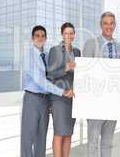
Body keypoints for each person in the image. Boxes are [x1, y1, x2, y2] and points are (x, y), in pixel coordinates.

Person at [21, 25, 73, 157]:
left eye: (43, 36)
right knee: (28, 138)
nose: (40, 38)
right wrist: (62, 92)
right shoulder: (29, 55)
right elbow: (40, 81)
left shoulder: (48, 55)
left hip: (45, 100)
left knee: (41, 138)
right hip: (32, 99)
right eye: (37, 35)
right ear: (32, 38)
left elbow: (52, 76)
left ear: (46, 38)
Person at [83, 11, 120, 157]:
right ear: (101, 25)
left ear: (115, 25)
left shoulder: (119, 46)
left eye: (111, 23)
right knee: (93, 141)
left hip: (112, 101)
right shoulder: (91, 43)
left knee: (108, 141)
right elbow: (84, 72)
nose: (109, 26)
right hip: (96, 101)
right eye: (105, 23)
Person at [47, 22, 81, 157]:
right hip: (59, 98)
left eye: (71, 33)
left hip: (73, 97)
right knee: (59, 133)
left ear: (74, 35)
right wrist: (66, 68)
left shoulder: (77, 51)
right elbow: (50, 74)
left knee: (68, 133)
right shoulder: (55, 50)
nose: (69, 36)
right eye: (66, 33)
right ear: (62, 34)